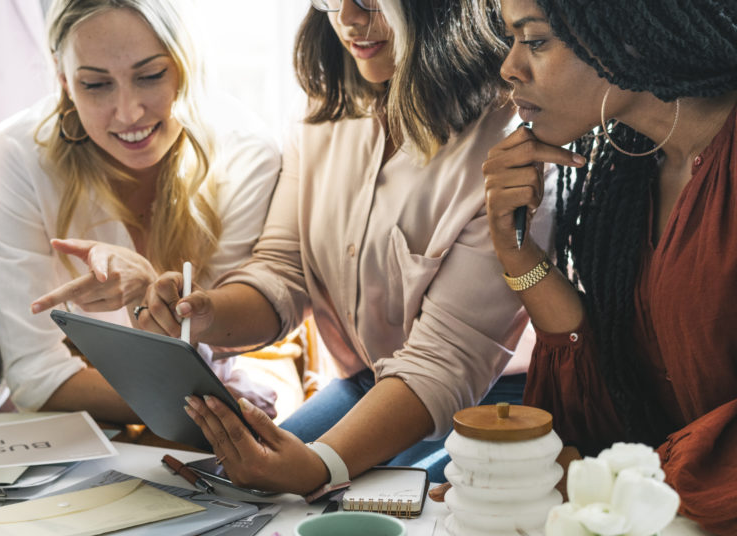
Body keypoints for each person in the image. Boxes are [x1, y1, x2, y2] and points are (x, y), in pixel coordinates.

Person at [140, 0, 550, 496]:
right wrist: (203, 313)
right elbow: (282, 272)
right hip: (366, 385)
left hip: (488, 405)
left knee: (342, 514)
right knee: (228, 491)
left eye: (372, 2)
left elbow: (446, 361)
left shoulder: (511, 145)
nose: (348, 18)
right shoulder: (323, 113)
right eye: (330, 0)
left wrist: (321, 466)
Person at [486, 0, 737, 536]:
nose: (510, 67)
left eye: (535, 41)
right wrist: (519, 254)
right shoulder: (629, 168)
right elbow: (614, 409)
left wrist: (603, 483)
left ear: (624, 29)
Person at [0, 0, 287, 424]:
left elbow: (216, 349)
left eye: (150, 76)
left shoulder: (246, 152)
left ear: (186, 63)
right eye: (95, 84)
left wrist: (153, 294)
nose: (128, 113)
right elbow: (35, 378)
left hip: (182, 410)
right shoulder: (18, 153)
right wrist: (210, 403)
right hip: (115, 426)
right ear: (63, 79)